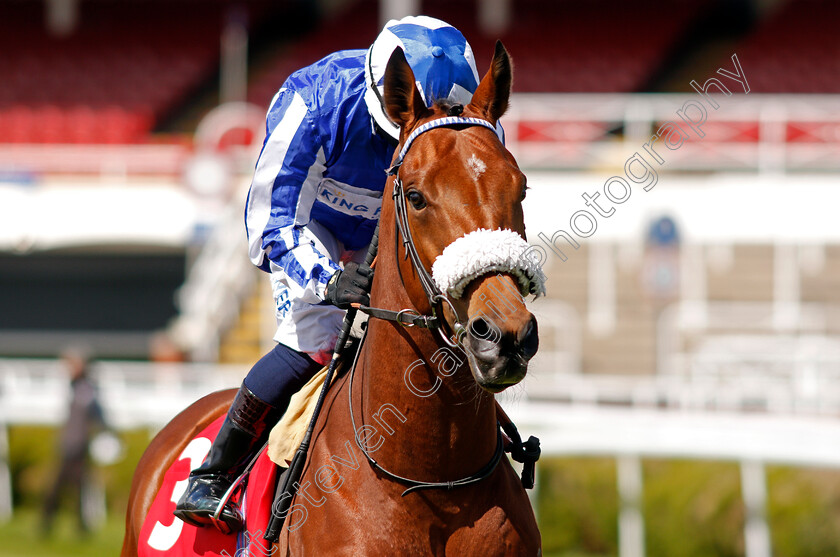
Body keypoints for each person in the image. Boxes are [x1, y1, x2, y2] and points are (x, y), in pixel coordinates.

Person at [174, 15, 484, 532]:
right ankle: (214, 472)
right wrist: (327, 278)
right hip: (310, 220)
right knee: (314, 338)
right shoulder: (313, 101)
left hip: (395, 219)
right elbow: (273, 217)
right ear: (383, 93)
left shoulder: (465, 118)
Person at [42, 347, 106, 535]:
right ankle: (47, 522)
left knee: (79, 488)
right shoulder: (73, 386)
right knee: (58, 487)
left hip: (81, 444)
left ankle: (79, 526)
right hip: (69, 444)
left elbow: (97, 415)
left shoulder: (88, 389)